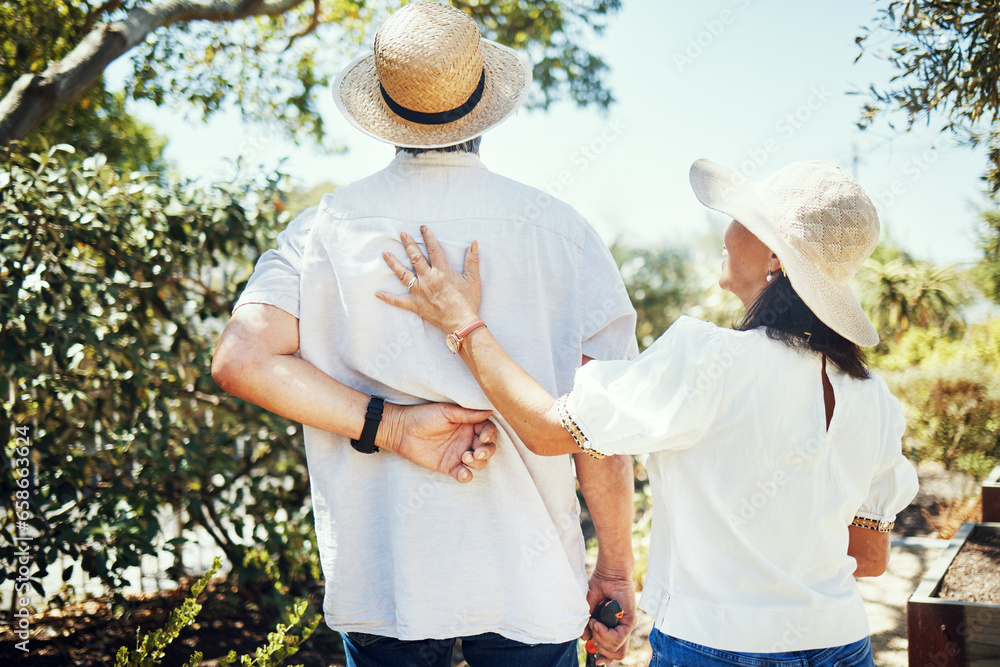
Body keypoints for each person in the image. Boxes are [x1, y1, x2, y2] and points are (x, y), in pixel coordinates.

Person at [211, 2, 639, 665]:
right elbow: (601, 431)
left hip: (387, 579)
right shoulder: (563, 232)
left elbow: (242, 358)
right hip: (531, 578)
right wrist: (614, 568)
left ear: (386, 111)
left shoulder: (322, 230)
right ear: (482, 106)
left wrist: (392, 426)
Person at [378, 158, 920, 665]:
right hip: (841, 643)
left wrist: (461, 320)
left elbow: (547, 430)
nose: (728, 229)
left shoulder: (713, 359)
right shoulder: (873, 395)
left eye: (744, 220)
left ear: (775, 257)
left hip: (715, 646)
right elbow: (869, 557)